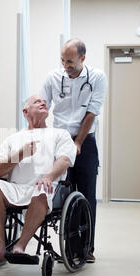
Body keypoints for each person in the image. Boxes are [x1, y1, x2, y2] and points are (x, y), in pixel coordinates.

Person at [0, 95, 76, 265]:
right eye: (37, 102)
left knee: (41, 190)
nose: (43, 103)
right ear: (25, 112)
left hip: (45, 187)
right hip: (16, 188)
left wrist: (48, 177)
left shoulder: (59, 134)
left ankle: (20, 245)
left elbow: (64, 160)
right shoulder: (12, 139)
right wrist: (20, 154)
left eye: (44, 102)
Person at [40, 38, 108, 263]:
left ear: (82, 59)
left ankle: (86, 248)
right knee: (64, 194)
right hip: (58, 141)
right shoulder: (53, 78)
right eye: (62, 60)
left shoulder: (96, 77)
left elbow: (92, 113)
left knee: (87, 195)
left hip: (85, 142)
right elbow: (42, 106)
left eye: (70, 61)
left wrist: (77, 143)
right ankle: (69, 248)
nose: (65, 65)